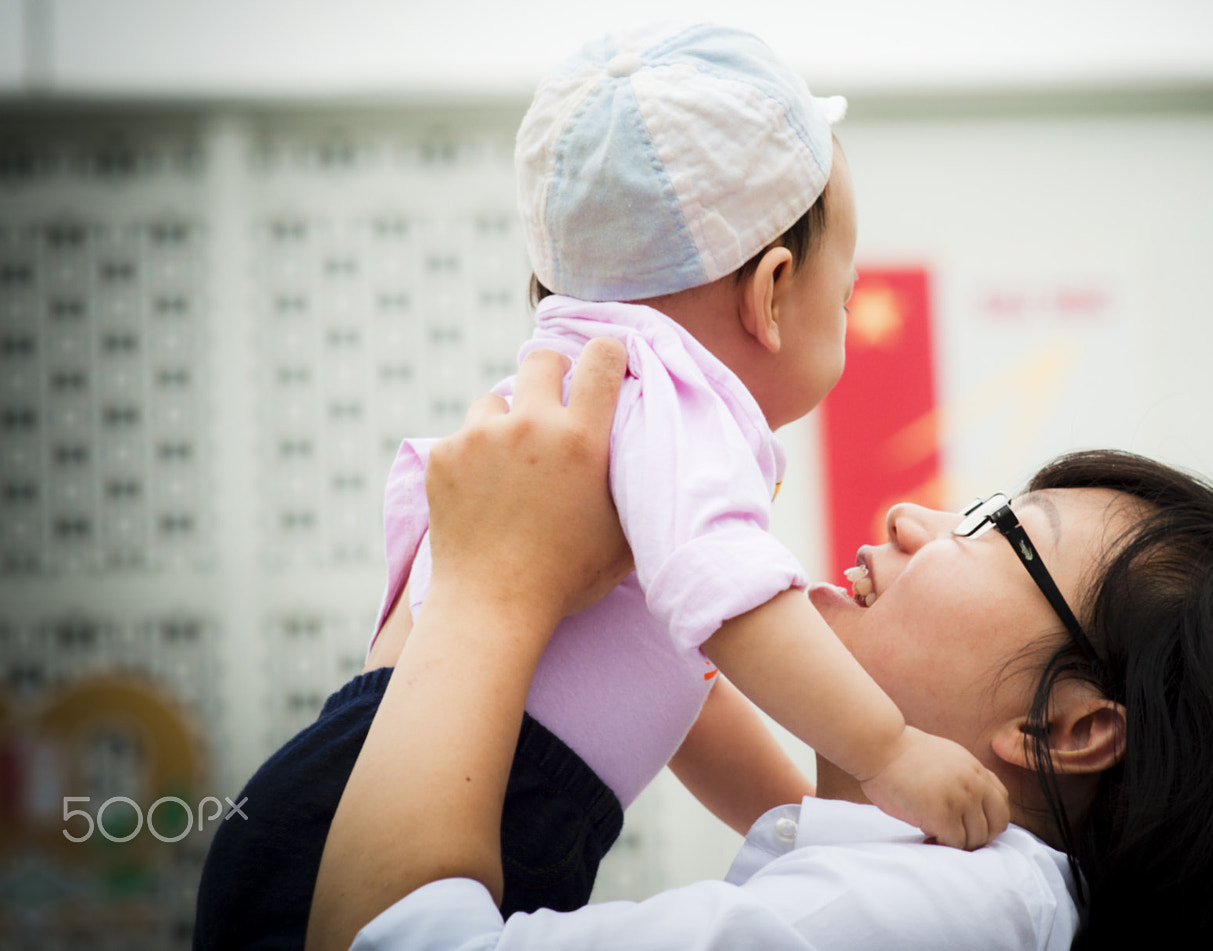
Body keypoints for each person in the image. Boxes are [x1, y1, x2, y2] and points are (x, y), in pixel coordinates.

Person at [305, 340, 1213, 950]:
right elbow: (783, 789)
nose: (915, 516)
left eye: (999, 529)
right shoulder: (965, 900)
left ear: (1070, 726)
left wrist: (489, 586)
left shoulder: (919, 921)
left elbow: (387, 942)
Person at [375, 20, 1004, 868]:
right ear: (773, 291)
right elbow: (732, 596)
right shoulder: (668, 391)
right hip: (458, 811)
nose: (846, 315)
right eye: (844, 295)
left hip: (364, 784)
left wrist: (806, 827)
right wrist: (891, 752)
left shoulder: (575, 395)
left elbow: (691, 693)